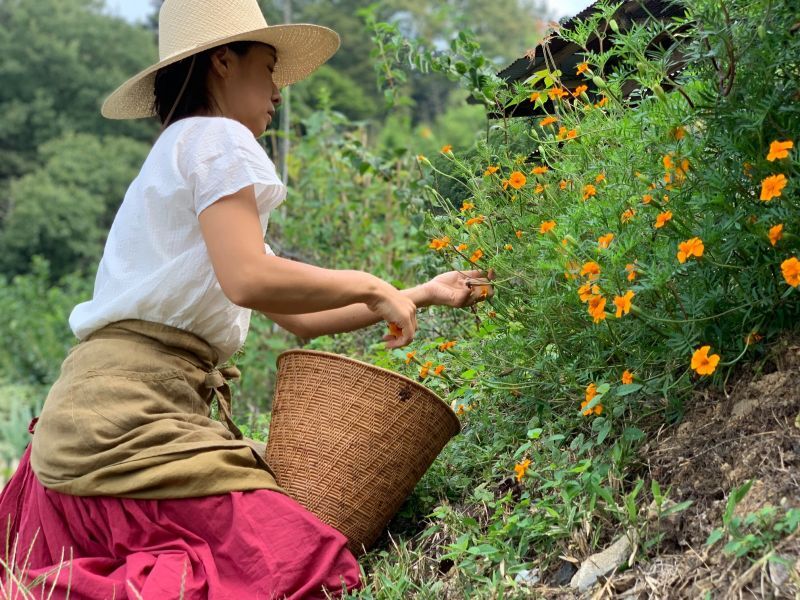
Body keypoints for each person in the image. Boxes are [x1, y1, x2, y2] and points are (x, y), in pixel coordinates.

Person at [0, 0, 495, 598]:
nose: (278, 90)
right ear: (223, 62)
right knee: (297, 560)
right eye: (267, 66)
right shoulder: (217, 138)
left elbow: (298, 319)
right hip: (128, 424)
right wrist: (371, 283)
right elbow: (249, 279)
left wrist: (419, 294)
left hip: (88, 422)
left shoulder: (181, 150)